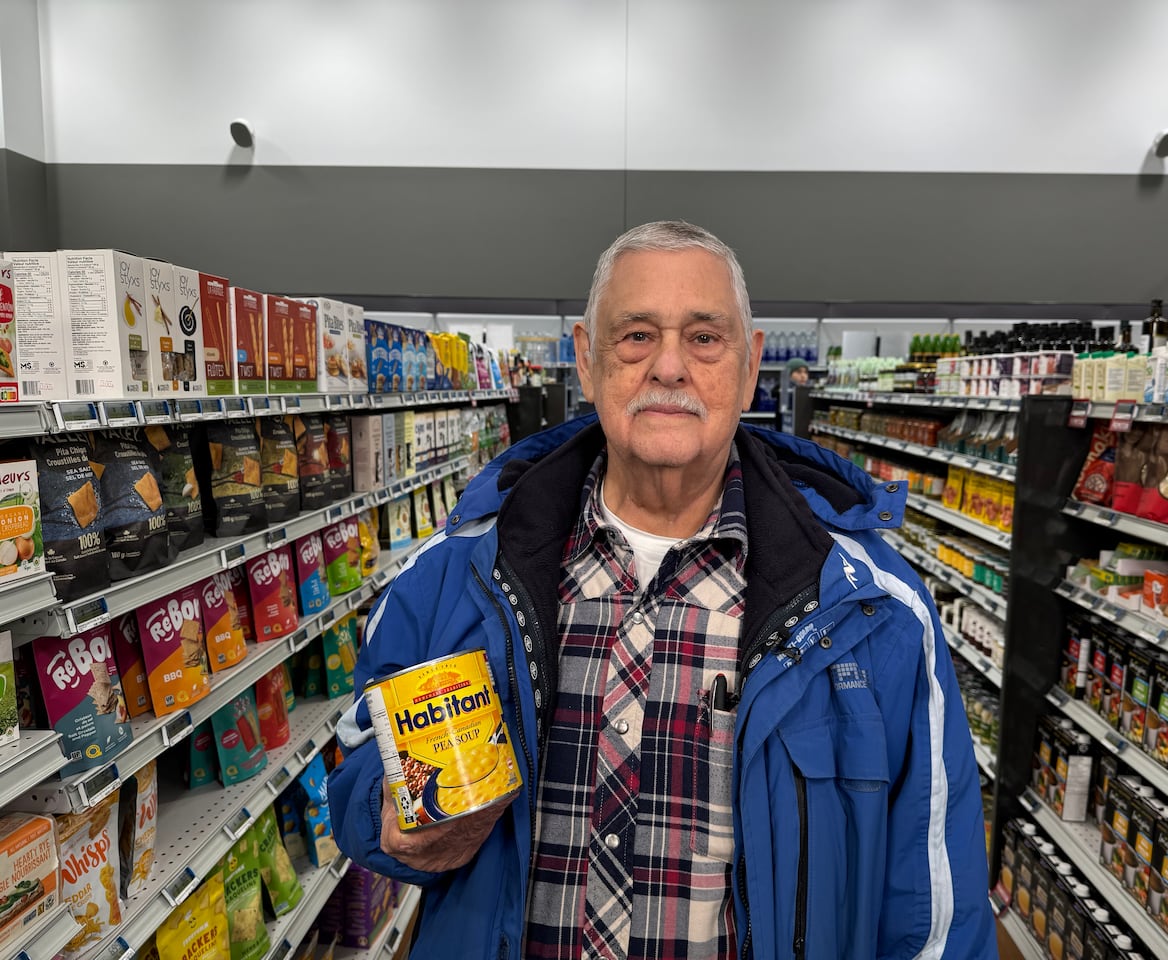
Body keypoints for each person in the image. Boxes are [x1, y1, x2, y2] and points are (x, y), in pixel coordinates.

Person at [330, 220, 997, 959]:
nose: (670, 367)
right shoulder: (454, 575)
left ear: (749, 367)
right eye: (636, 336)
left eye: (705, 338)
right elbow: (359, 758)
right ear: (586, 360)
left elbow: (937, 905)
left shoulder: (874, 612)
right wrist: (389, 818)